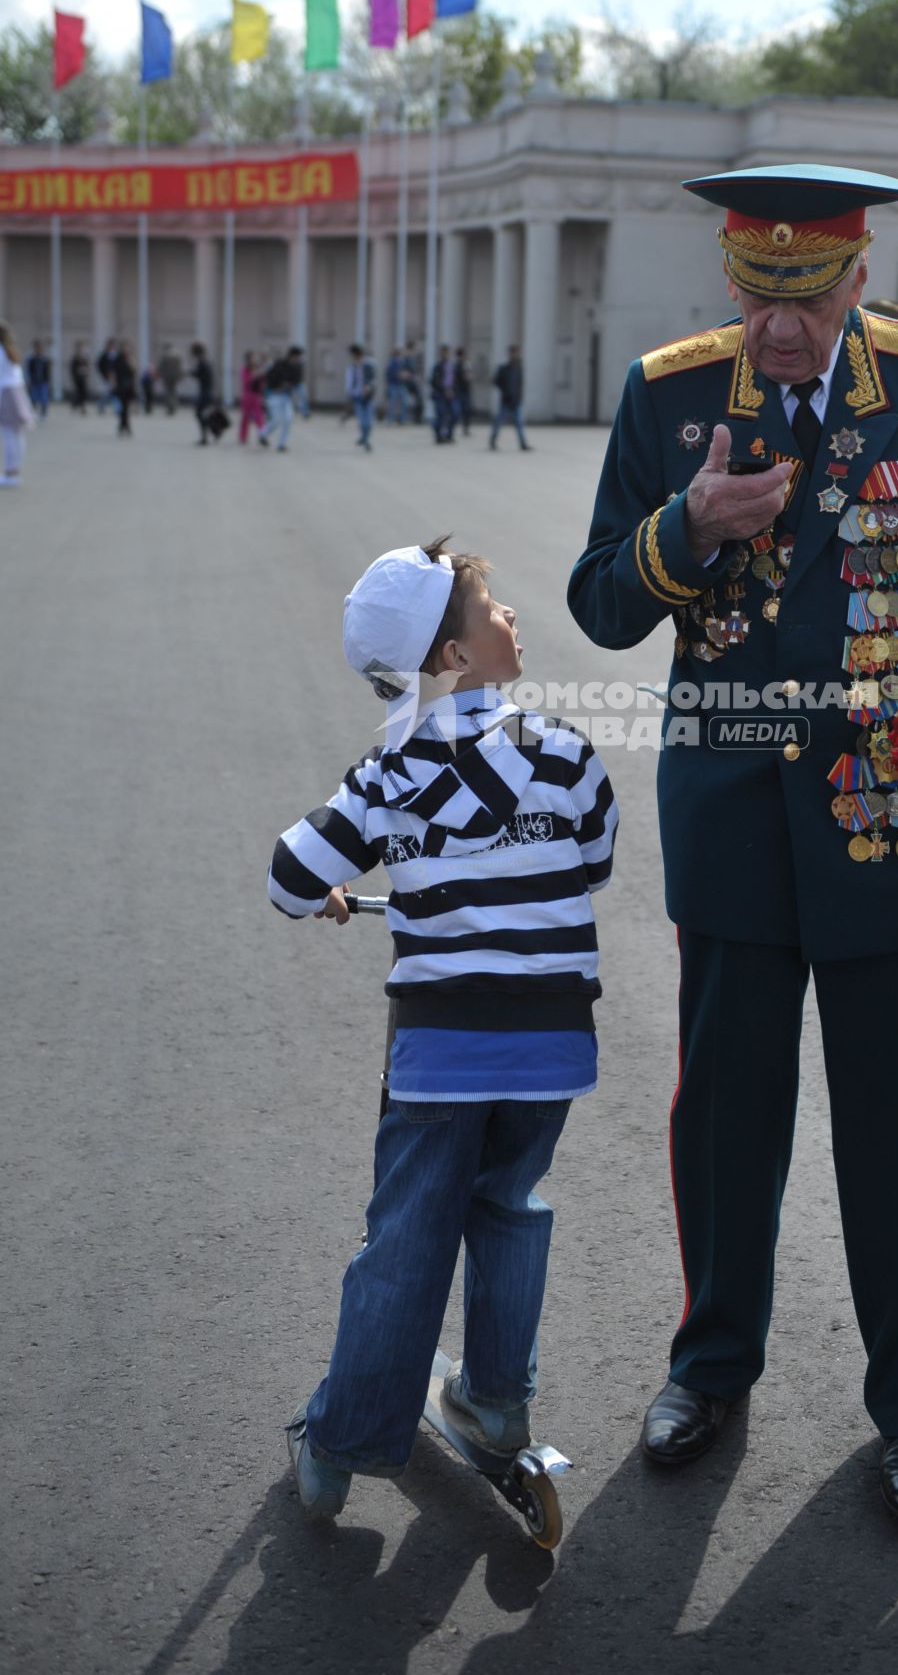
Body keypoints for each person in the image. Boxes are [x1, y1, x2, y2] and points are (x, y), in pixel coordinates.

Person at [569, 163, 898, 1524]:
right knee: (727, 1115)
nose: (776, 328)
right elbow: (602, 602)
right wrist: (690, 528)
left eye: (804, 296)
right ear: (732, 279)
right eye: (753, 294)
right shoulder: (670, 394)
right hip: (730, 811)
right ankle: (710, 1365)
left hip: (894, 823)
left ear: (860, 277)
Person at [268, 540, 619, 1521]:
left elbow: (287, 878)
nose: (511, 617)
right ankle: (499, 1404)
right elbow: (590, 864)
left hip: (442, 1049)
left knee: (408, 1236)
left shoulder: (389, 772)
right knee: (510, 1207)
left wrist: (339, 891)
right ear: (451, 655)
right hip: (552, 1045)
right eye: (493, 608)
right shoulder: (565, 751)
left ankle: (344, 1440)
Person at [0, 321, 35, 487]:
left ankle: (10, 473)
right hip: (17, 392)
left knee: (8, 436)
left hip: (5, 394)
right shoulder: (9, 350)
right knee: (17, 435)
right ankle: (14, 471)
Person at [490, 343, 531, 451]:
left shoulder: (519, 368)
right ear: (510, 354)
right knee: (499, 421)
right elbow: (495, 381)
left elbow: (520, 384)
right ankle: (493, 440)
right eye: (512, 353)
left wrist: (520, 396)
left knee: (519, 423)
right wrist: (504, 390)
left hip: (516, 400)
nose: (514, 355)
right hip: (506, 400)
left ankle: (523, 443)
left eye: (516, 353)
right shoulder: (503, 368)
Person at [260, 347, 301, 452]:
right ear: (292, 355)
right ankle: (263, 434)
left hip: (286, 397)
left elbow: (296, 381)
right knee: (276, 420)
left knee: (288, 419)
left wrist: (288, 385)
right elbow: (269, 378)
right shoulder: (279, 364)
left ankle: (281, 444)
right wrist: (277, 387)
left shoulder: (297, 367)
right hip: (274, 396)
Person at [345, 344, 375, 451]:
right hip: (357, 396)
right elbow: (349, 384)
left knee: (369, 421)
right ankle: (365, 439)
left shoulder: (368, 365)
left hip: (368, 396)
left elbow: (373, 378)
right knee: (362, 420)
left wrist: (369, 387)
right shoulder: (351, 367)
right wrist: (351, 394)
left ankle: (365, 438)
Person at [191, 342, 218, 445]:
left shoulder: (202, 361)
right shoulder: (205, 360)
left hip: (205, 391)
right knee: (203, 414)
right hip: (207, 390)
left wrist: (190, 372)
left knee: (199, 413)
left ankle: (208, 434)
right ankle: (209, 434)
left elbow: (199, 374)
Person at [430, 344, 457, 443]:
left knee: (454, 414)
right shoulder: (437, 366)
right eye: (443, 353)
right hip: (440, 394)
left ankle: (449, 434)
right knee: (440, 415)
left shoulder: (452, 365)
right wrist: (444, 389)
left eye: (447, 353)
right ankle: (439, 436)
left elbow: (455, 380)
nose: (445, 355)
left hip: (451, 394)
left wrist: (452, 390)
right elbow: (434, 380)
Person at [239, 351, 267, 444]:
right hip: (247, 395)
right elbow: (246, 381)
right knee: (245, 417)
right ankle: (243, 436)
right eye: (253, 358)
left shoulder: (258, 369)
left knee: (259, 416)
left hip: (256, 395)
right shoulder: (245, 370)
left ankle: (262, 435)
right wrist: (254, 376)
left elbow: (263, 381)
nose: (255, 360)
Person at [24, 338, 51, 419]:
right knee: (33, 398)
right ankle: (33, 413)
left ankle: (43, 414)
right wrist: (28, 380)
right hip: (34, 381)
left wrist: (48, 380)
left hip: (43, 381)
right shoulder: (31, 358)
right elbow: (28, 370)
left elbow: (47, 371)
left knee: (44, 398)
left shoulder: (45, 358)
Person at [113, 342, 137, 437]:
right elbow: (114, 372)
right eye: (125, 348)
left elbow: (134, 371)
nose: (126, 350)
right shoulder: (118, 359)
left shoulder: (130, 359)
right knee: (123, 407)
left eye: (128, 348)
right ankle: (124, 425)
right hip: (120, 386)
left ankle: (123, 426)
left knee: (126, 407)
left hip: (129, 386)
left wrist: (132, 362)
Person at [385, 345, 409, 425]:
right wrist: (398, 375)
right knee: (393, 402)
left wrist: (405, 375)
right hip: (394, 384)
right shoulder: (391, 362)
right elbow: (389, 374)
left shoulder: (402, 362)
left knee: (404, 402)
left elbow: (407, 372)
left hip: (401, 384)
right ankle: (390, 419)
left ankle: (402, 419)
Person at [157, 342, 183, 417]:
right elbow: (180, 366)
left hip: (167, 376)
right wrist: (180, 375)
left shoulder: (165, 355)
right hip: (175, 376)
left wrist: (159, 373)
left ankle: (170, 407)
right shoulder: (177, 354)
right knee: (174, 391)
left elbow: (161, 366)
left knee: (168, 392)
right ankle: (174, 406)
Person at [95, 338, 119, 415]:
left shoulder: (116, 355)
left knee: (114, 393)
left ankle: (102, 404)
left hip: (116, 377)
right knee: (112, 393)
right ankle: (116, 408)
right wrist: (105, 374)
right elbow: (99, 365)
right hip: (107, 377)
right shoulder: (104, 355)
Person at [455, 348, 473, 437]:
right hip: (459, 391)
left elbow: (469, 376)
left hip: (465, 391)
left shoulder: (466, 364)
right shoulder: (457, 365)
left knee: (467, 410)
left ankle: (466, 428)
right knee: (457, 411)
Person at [69, 342, 91, 415]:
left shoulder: (84, 358)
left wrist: (86, 372)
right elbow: (73, 369)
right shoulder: (75, 358)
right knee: (78, 392)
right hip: (77, 378)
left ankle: (82, 406)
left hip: (83, 378)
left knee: (83, 392)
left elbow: (87, 367)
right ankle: (76, 404)